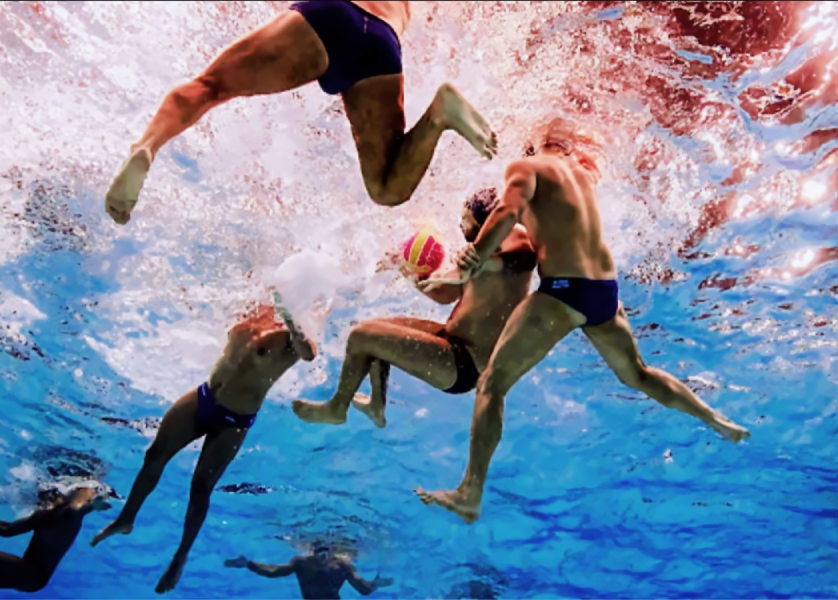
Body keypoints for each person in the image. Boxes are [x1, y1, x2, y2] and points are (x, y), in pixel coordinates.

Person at [417, 118, 751, 523]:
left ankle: (470, 492)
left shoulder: (526, 168)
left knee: (492, 384)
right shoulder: (584, 173)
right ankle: (715, 419)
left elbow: (506, 210)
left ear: (532, 146)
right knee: (639, 374)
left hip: (564, 291)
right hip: (605, 291)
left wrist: (467, 263)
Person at [104, 1, 497, 225]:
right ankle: (440, 113)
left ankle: (147, 147)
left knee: (209, 88)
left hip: (330, 14)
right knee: (386, 189)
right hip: (382, 42)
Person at [90, 300, 320, 594]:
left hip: (233, 421)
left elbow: (310, 354)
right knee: (154, 455)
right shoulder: (253, 311)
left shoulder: (292, 334)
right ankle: (126, 518)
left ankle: (180, 556)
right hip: (204, 397)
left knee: (200, 488)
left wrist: (289, 311)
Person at [291, 188, 537, 428]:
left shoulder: (515, 241)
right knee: (377, 328)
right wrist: (404, 268)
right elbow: (444, 296)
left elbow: (524, 258)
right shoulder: (476, 252)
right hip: (451, 337)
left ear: (488, 226)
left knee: (361, 336)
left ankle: (337, 409)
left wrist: (475, 263)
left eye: (467, 222)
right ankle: (376, 405)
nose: (460, 227)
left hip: (465, 364)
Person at [0, 486, 111, 600]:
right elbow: (7, 530)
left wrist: (93, 505)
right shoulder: (42, 516)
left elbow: (78, 506)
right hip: (27, 574)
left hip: (35, 576)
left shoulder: (70, 515)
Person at [224, 545, 393, 599]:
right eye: (320, 555)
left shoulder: (342, 566)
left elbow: (363, 590)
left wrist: (374, 584)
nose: (323, 559)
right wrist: (248, 564)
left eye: (325, 556)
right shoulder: (302, 564)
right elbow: (272, 572)